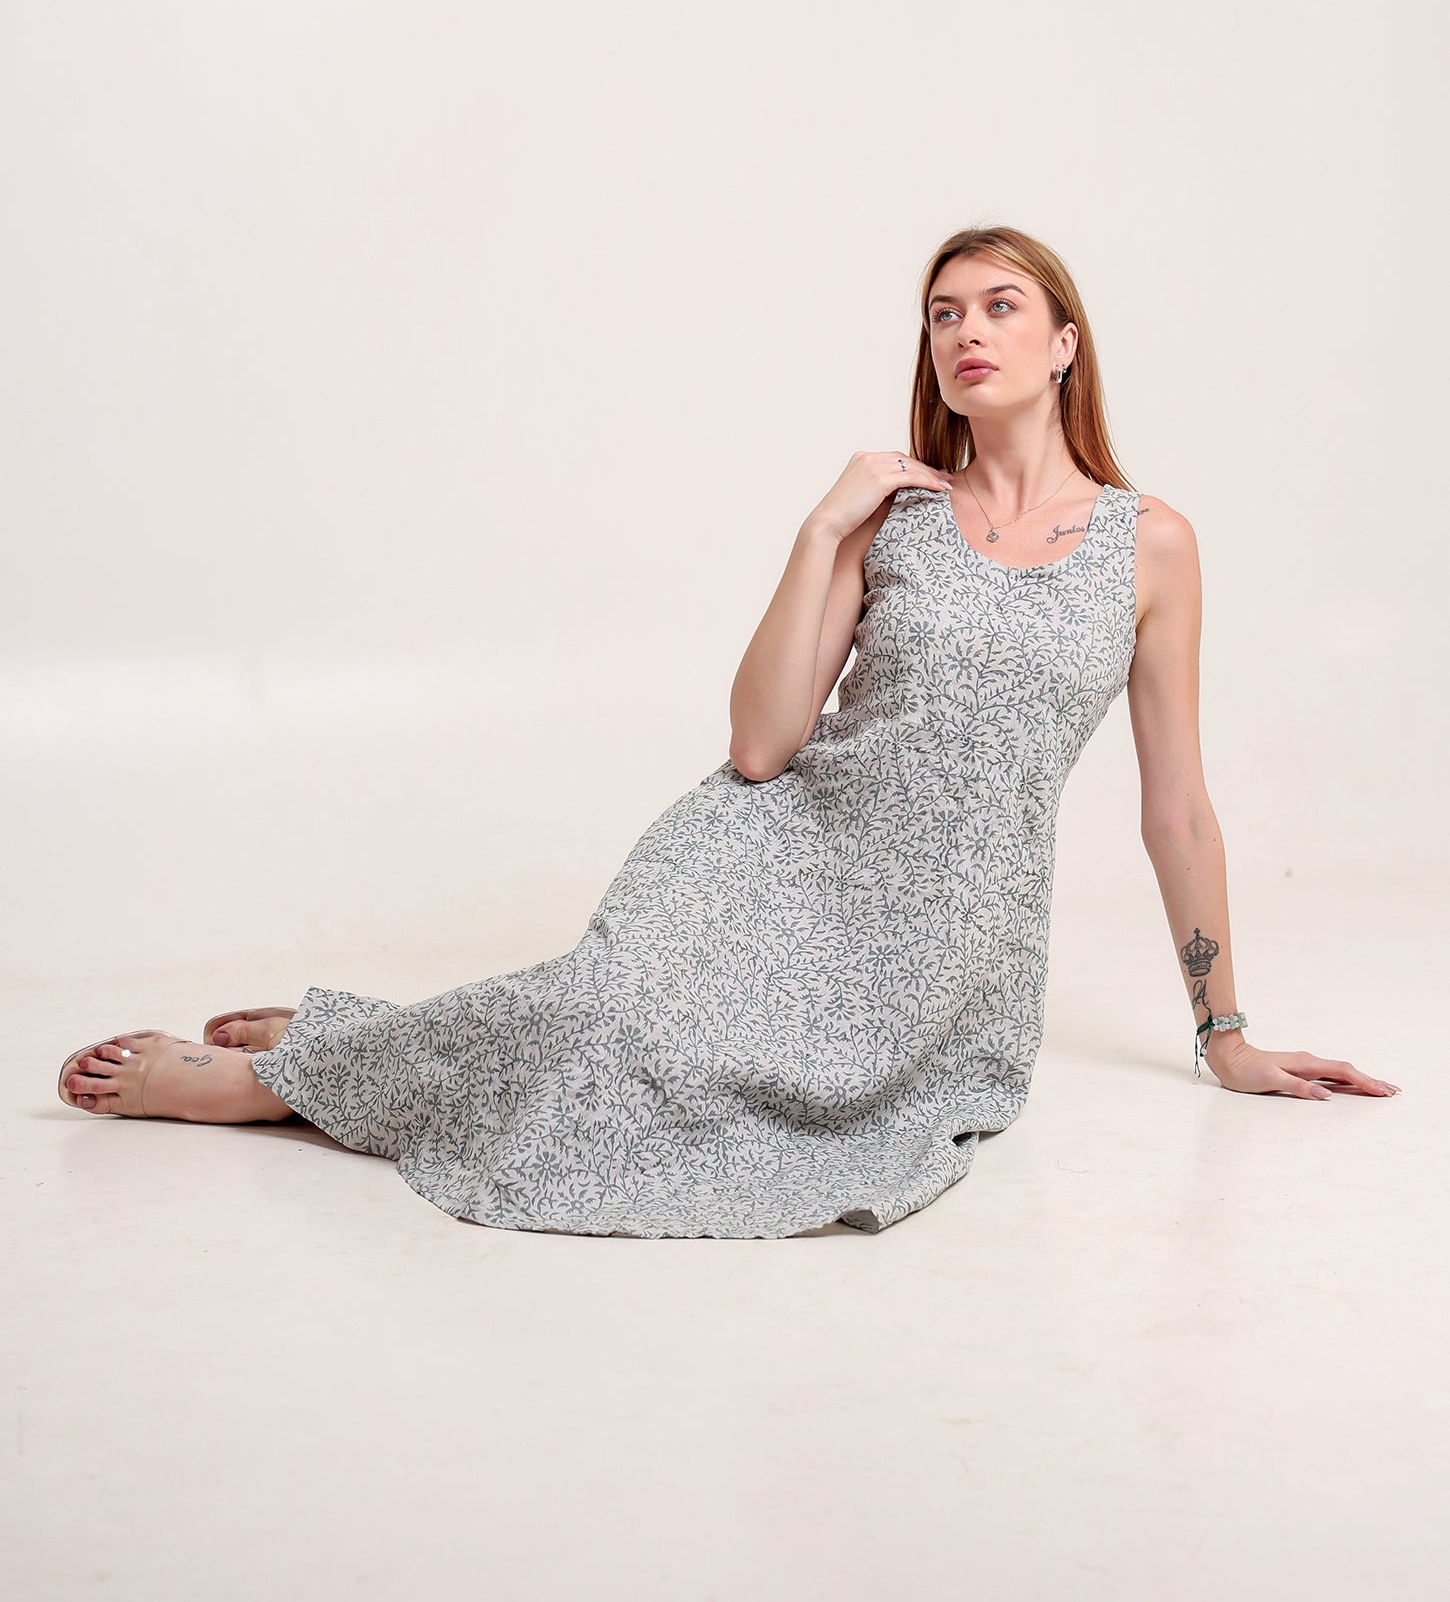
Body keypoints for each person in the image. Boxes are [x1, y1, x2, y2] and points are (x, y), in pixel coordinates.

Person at [56, 225, 1399, 1235]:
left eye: (999, 307)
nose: (963, 333)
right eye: (940, 314)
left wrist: (1223, 1033)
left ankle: (361, 1046)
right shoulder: (891, 512)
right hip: (776, 852)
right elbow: (762, 745)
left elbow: (1176, 807)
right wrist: (819, 531)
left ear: (1062, 345)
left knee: (646, 1060)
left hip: (933, 947)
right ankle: (284, 1083)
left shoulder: (1148, 545)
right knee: (608, 1011)